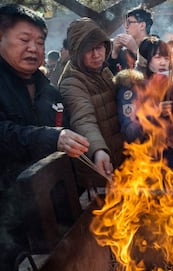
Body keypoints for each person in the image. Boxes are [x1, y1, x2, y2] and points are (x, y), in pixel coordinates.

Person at [0, 4, 89, 269]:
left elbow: (68, 132)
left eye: (40, 42)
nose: (34, 48)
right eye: (24, 40)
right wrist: (49, 137)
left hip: (48, 213)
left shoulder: (49, 90)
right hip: (6, 214)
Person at [116, 37, 173, 187]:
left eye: (166, 58)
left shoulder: (168, 86)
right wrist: (153, 114)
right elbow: (129, 131)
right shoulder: (131, 87)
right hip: (147, 163)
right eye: (157, 57)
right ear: (146, 59)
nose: (163, 62)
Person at [59, 17, 124, 185]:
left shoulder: (103, 71)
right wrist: (98, 150)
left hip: (121, 161)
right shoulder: (71, 81)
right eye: (89, 50)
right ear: (77, 53)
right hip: (99, 169)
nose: (96, 55)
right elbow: (83, 118)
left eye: (99, 47)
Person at [108, 6, 153, 74]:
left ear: (142, 25)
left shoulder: (155, 46)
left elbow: (155, 75)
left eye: (129, 23)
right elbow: (111, 76)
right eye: (125, 23)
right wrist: (114, 53)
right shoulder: (124, 51)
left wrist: (135, 51)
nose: (126, 27)